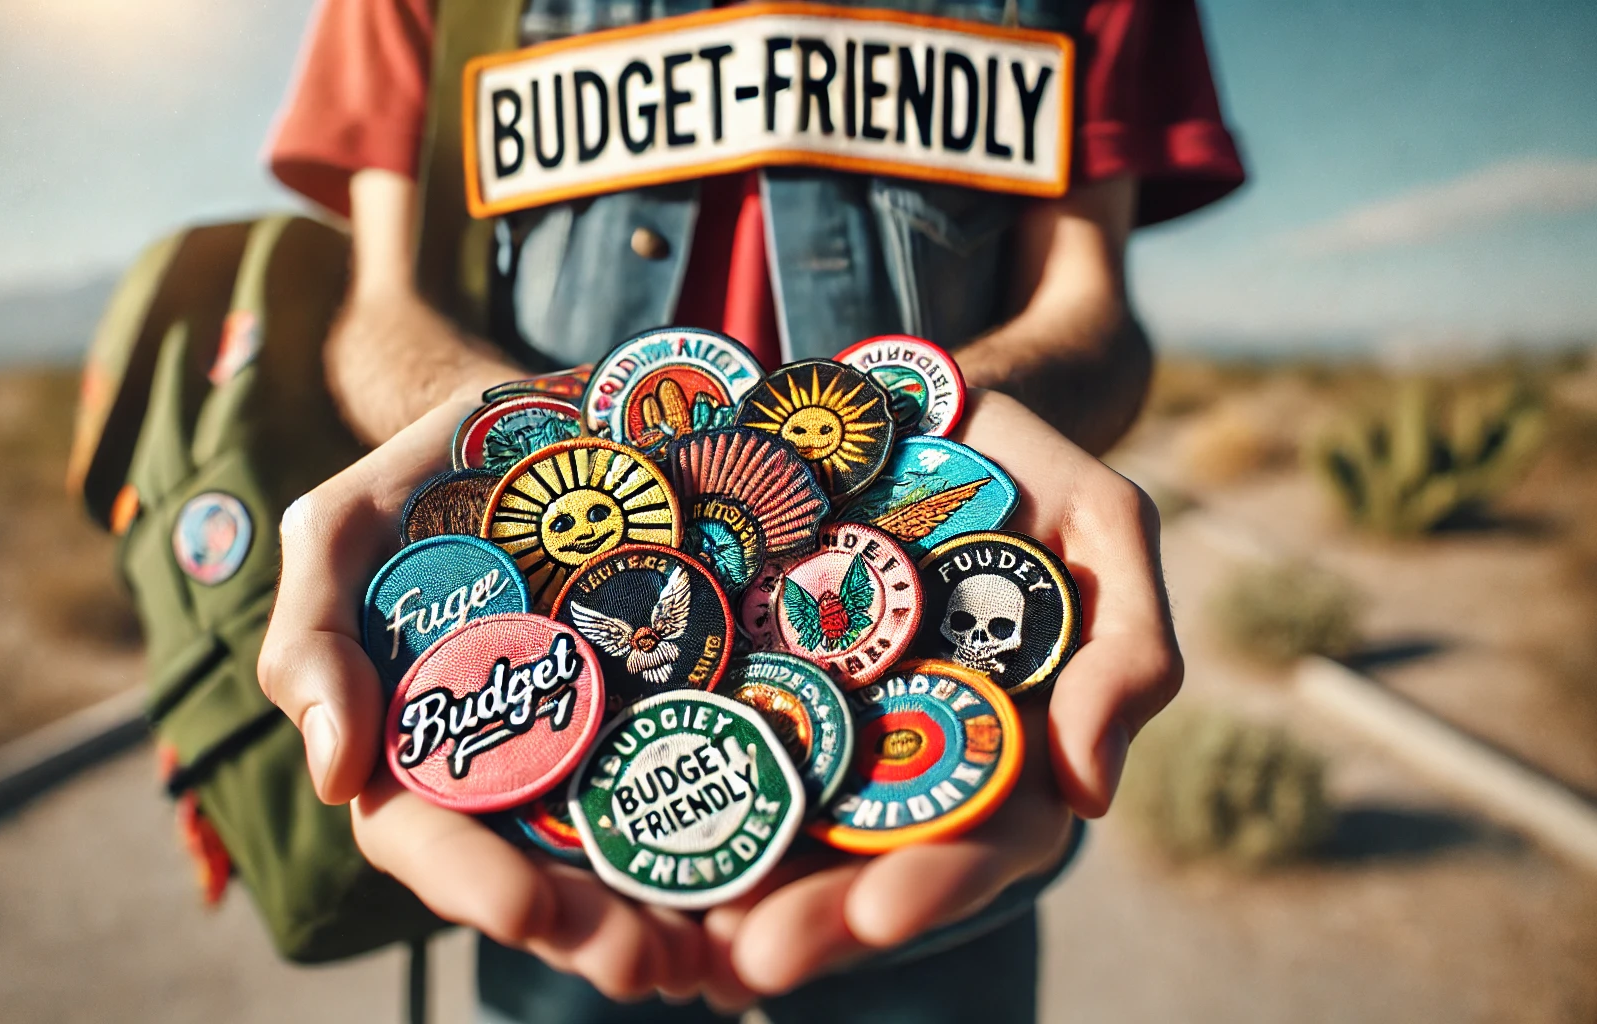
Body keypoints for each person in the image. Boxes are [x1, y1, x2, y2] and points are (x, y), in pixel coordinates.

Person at [256, 0, 1243, 1019]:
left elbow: (1088, 307)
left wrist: (934, 428)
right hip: (556, 786)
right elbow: (387, 307)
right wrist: (489, 436)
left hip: (937, 787)